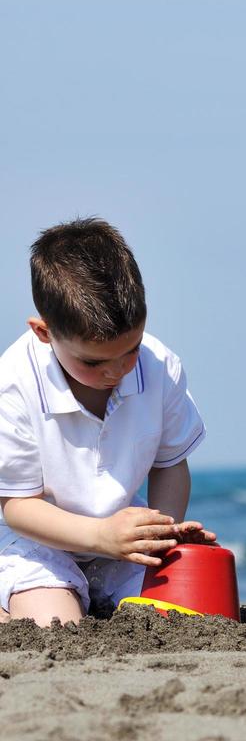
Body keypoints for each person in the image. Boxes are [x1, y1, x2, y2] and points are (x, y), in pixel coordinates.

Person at [0, 219, 211, 627]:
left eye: (129, 350)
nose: (116, 370)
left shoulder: (158, 365)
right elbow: (18, 508)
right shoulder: (12, 386)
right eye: (93, 362)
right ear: (44, 332)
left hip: (120, 538)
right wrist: (99, 537)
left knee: (182, 615)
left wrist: (161, 533)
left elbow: (169, 464)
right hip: (37, 539)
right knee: (57, 627)